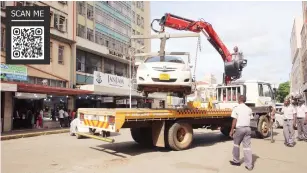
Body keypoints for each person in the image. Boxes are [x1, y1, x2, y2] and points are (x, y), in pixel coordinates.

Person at [229, 95, 253, 171]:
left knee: (236, 144)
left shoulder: (236, 108)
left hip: (240, 128)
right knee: (247, 147)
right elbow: (251, 119)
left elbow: (234, 120)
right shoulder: (249, 109)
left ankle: (236, 161)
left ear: (239, 100)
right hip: (248, 128)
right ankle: (249, 165)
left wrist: (232, 130)